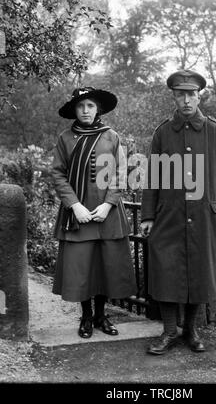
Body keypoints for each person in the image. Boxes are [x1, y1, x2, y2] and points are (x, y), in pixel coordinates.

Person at [141, 70, 216, 355]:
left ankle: (191, 331)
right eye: (181, 95)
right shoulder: (162, 132)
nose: (186, 101)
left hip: (204, 216)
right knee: (166, 272)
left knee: (199, 272)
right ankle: (169, 332)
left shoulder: (214, 130)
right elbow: (153, 178)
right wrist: (148, 215)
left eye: (191, 95)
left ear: (199, 97)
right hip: (168, 216)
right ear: (173, 96)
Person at [52, 86, 136, 338]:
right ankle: (86, 317)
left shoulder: (111, 137)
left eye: (90, 105)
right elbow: (58, 174)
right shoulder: (65, 138)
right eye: (81, 106)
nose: (85, 110)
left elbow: (122, 173)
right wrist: (75, 205)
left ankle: (101, 316)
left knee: (104, 266)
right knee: (82, 268)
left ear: (97, 108)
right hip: (78, 215)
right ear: (74, 110)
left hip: (106, 214)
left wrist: (109, 203)